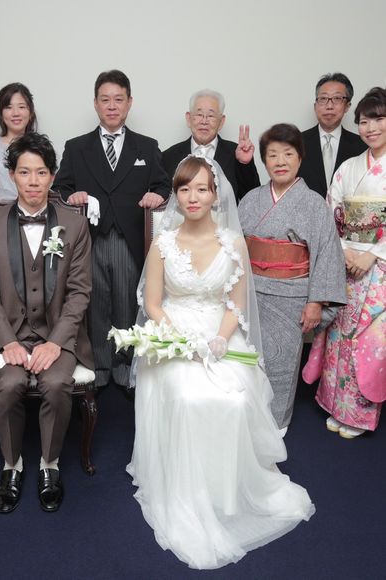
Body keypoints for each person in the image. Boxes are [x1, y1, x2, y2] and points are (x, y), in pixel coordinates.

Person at [128, 155, 314, 569]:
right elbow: (154, 304)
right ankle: (189, 491)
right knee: (188, 396)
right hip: (174, 333)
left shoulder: (233, 242)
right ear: (176, 195)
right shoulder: (163, 243)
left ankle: (227, 491)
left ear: (215, 195)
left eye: (201, 188)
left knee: (236, 397)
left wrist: (218, 339)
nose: (192, 197)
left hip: (219, 332)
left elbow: (236, 303)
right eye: (184, 189)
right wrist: (181, 340)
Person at [0, 132, 93, 513]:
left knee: (56, 383)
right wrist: (8, 341)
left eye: (41, 172)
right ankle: (12, 465)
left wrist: (56, 342)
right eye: (24, 172)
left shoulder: (74, 225)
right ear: (12, 175)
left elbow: (80, 292)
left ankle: (49, 464)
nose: (33, 181)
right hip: (8, 336)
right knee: (8, 384)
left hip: (58, 335)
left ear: (52, 176)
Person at [53, 69, 170, 388]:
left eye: (119, 99)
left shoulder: (146, 146)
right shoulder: (77, 147)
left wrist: (157, 195)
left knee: (128, 301)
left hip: (131, 238)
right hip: (89, 239)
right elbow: (60, 188)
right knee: (95, 302)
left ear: (129, 103)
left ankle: (127, 364)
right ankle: (99, 365)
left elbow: (164, 185)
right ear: (95, 104)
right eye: (105, 100)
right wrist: (73, 195)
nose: (112, 106)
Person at [238, 124, 346, 430]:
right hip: (251, 293)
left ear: (300, 158)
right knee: (247, 357)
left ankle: (276, 424)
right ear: (264, 160)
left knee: (282, 361)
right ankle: (246, 417)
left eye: (288, 154)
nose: (280, 161)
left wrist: (316, 302)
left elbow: (327, 254)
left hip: (291, 296)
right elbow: (234, 247)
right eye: (272, 155)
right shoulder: (251, 200)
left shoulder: (314, 204)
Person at [303, 87, 386, 438]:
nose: (371, 128)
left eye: (379, 120)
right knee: (338, 333)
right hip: (346, 262)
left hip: (380, 267)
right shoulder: (348, 168)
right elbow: (330, 214)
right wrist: (345, 251)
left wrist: (373, 254)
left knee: (369, 340)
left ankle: (360, 413)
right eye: (364, 121)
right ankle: (335, 403)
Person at [162, 89, 260, 202]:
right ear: (188, 118)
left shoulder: (236, 153)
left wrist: (244, 164)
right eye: (199, 114)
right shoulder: (168, 156)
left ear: (221, 122)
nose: (204, 121)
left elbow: (253, 200)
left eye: (211, 116)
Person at [298, 73, 366, 197]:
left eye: (337, 98)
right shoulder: (296, 143)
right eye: (323, 99)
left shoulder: (363, 146)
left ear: (347, 106)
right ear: (315, 106)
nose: (329, 106)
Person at [0, 82, 36, 210]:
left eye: (21, 107)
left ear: (30, 112)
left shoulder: (40, 146)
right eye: (9, 107)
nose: (16, 113)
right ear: (1, 114)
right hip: (1, 215)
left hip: (38, 214)